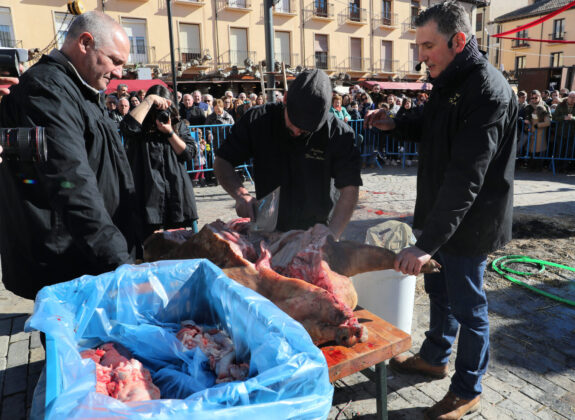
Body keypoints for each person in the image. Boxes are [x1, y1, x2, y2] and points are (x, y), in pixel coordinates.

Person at [364, 2, 517, 418]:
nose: (421, 55)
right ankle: (434, 357)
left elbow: (468, 177)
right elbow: (430, 122)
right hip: (439, 214)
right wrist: (395, 122)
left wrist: (426, 243)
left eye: (428, 45)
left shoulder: (487, 90)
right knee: (439, 292)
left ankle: (468, 389)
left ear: (459, 41)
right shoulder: (447, 80)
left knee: (469, 307)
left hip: (471, 223)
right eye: (420, 45)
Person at [0, 11, 138, 299]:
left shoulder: (82, 89)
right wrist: (119, 264)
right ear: (85, 43)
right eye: (115, 60)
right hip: (70, 265)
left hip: (88, 257)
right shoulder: (47, 89)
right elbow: (71, 182)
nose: (120, 73)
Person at [214, 69, 362, 239]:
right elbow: (222, 161)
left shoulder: (339, 134)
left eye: (306, 129)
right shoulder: (257, 120)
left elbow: (350, 189)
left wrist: (332, 234)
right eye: (294, 122)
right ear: (285, 99)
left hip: (317, 230)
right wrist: (241, 195)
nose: (298, 131)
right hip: (269, 229)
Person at [120, 84, 198, 245]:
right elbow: (127, 127)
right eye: (156, 107)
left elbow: (188, 153)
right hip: (147, 193)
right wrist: (149, 100)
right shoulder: (139, 127)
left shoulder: (177, 124)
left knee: (182, 248)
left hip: (176, 192)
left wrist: (169, 132)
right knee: (149, 248)